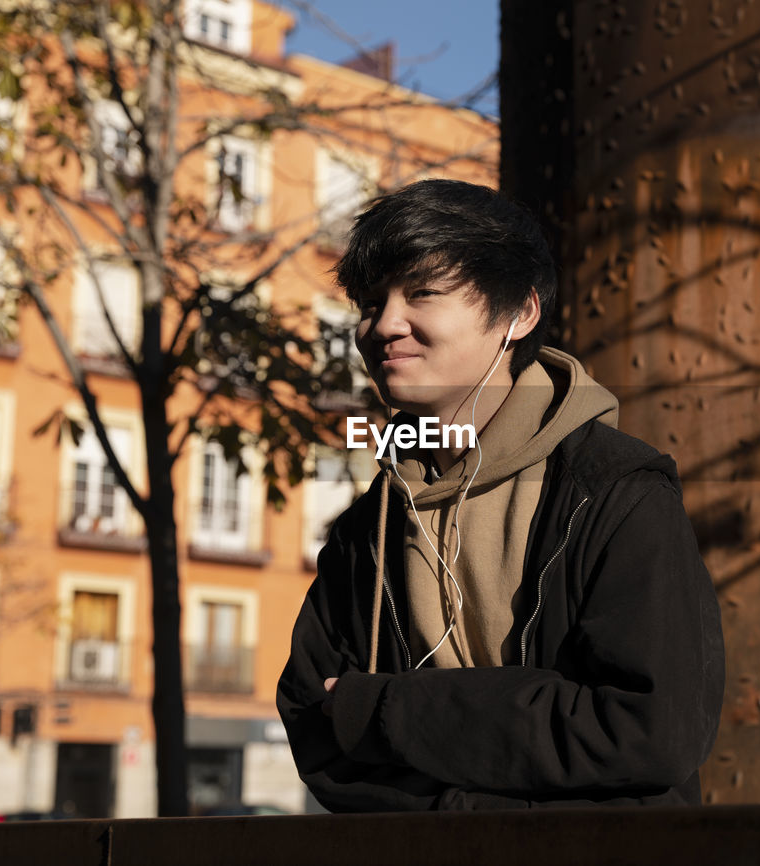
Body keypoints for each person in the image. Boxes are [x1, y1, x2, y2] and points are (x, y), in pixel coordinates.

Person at [276, 179, 724, 811]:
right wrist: (472, 817)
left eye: (422, 293)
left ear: (520, 313)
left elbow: (651, 732)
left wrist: (382, 710)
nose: (384, 326)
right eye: (371, 303)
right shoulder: (368, 526)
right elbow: (316, 728)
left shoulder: (616, 492)